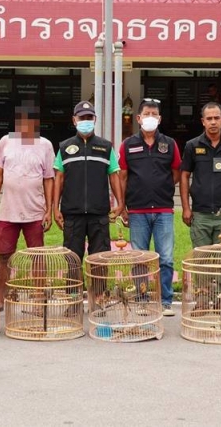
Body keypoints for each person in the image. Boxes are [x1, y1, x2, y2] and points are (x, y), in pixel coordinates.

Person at [53, 101, 124, 312]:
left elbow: (114, 175)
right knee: (73, 260)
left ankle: (99, 300)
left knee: (100, 259)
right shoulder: (64, 147)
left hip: (99, 213)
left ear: (95, 120)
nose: (85, 121)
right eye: (81, 118)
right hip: (72, 213)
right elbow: (59, 178)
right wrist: (55, 208)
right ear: (74, 120)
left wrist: (120, 203)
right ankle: (73, 302)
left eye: (89, 118)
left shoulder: (105, 147)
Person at [0, 103, 55, 299]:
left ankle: (39, 295)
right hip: (8, 211)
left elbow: (49, 179)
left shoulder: (45, 145)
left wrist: (49, 210)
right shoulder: (5, 142)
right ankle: (2, 296)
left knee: (37, 256)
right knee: (4, 255)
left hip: (35, 211)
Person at [119, 98, 181, 317]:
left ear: (160, 118)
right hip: (137, 210)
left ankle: (165, 301)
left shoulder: (170, 144)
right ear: (138, 118)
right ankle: (142, 299)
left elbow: (176, 173)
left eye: (154, 114)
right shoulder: (127, 145)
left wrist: (162, 187)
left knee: (166, 258)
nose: (150, 118)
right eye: (147, 114)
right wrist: (122, 206)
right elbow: (122, 177)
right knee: (140, 258)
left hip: (163, 210)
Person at [180, 101, 221, 246]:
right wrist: (186, 208)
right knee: (201, 257)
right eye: (209, 118)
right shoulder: (192, 146)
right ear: (203, 121)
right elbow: (184, 176)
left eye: (216, 118)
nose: (213, 122)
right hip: (200, 214)